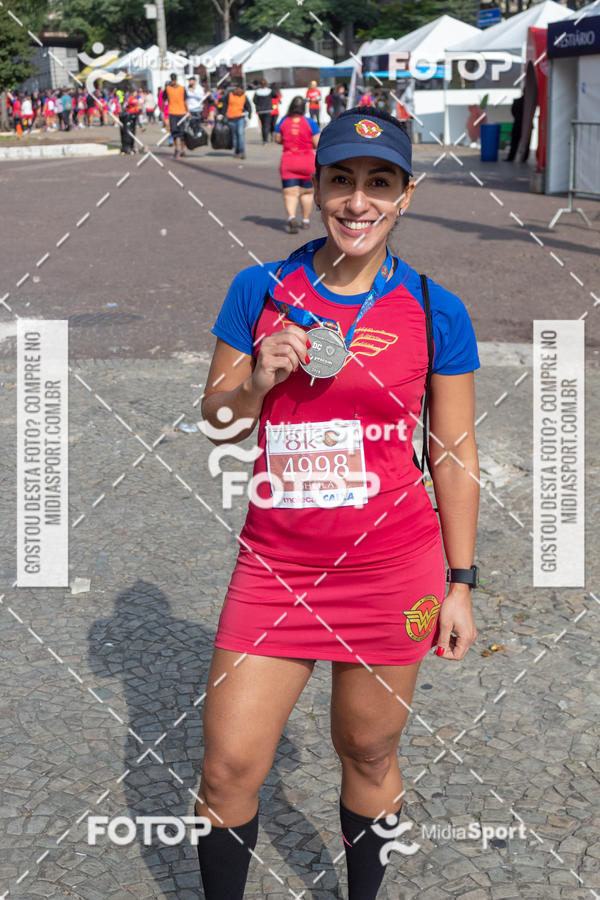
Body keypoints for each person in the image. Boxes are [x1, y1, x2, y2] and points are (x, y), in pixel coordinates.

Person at [196, 105, 480, 900]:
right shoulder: (259, 289)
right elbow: (216, 426)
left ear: (406, 195)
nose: (359, 201)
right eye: (342, 181)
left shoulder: (433, 306)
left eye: (379, 183)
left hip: (394, 572)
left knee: (368, 754)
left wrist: (461, 583)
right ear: (316, 187)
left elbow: (452, 454)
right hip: (276, 570)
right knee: (227, 769)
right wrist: (255, 380)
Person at [274, 95, 319, 233]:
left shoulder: (282, 122)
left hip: (288, 161)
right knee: (307, 193)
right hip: (307, 162)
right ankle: (305, 220)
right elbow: (316, 143)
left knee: (290, 194)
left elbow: (277, 139)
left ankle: (292, 217)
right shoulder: (311, 122)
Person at [165, 72, 191, 158]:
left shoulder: (182, 89)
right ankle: (176, 148)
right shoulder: (168, 89)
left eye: (174, 80)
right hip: (172, 113)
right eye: (172, 80)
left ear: (176, 79)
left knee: (182, 132)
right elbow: (164, 99)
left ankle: (182, 149)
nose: (173, 81)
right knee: (174, 132)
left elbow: (185, 101)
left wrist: (188, 111)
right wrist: (163, 112)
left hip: (182, 113)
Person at [224, 84, 251, 159]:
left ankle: (242, 152)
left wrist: (248, 116)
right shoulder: (229, 95)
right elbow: (224, 105)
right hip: (231, 118)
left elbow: (248, 107)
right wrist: (222, 114)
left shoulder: (244, 96)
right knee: (234, 136)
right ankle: (236, 151)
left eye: (241, 90)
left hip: (240, 118)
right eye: (238, 89)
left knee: (240, 134)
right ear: (235, 89)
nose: (239, 91)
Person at [253, 79, 272, 145]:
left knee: (263, 125)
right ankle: (266, 139)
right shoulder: (269, 91)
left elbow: (254, 100)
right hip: (267, 110)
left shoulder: (257, 92)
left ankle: (264, 138)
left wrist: (259, 105)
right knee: (266, 125)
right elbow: (275, 95)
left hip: (260, 110)